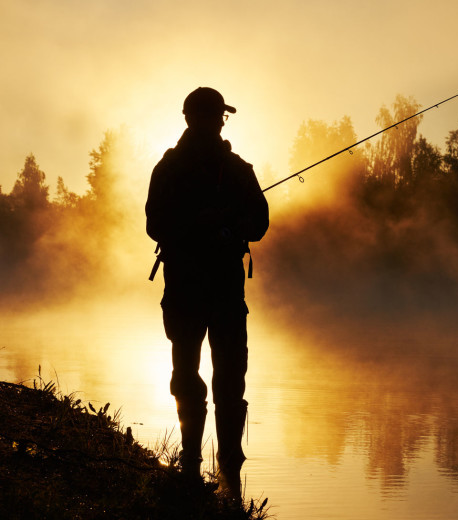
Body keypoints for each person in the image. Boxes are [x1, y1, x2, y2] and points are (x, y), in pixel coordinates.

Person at [145, 87, 269, 498]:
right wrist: (199, 224)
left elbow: (260, 222)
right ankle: (197, 464)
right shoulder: (177, 168)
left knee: (224, 379)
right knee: (193, 376)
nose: (218, 123)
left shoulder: (234, 168)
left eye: (220, 117)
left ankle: (224, 469)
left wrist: (231, 225)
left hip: (213, 292)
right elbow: (155, 225)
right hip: (192, 289)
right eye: (215, 116)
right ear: (195, 119)